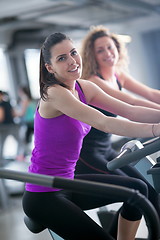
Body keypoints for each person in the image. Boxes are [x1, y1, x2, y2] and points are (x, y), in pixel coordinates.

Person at [22, 32, 160, 240]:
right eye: (62, 58)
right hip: (44, 195)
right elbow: (104, 122)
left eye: (73, 53)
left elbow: (130, 110)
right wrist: (155, 129)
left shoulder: (84, 87)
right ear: (49, 68)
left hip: (69, 182)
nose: (72, 61)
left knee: (138, 190)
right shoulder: (53, 93)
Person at [75, 26, 160, 229]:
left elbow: (151, 94)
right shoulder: (94, 81)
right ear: (92, 55)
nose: (107, 53)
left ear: (117, 49)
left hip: (107, 150)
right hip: (87, 154)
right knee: (136, 194)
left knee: (149, 191)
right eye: (100, 50)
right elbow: (130, 104)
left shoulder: (118, 75)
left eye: (110, 47)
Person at [14, 86, 36, 159]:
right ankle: (27, 154)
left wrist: (14, 113)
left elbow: (22, 113)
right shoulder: (31, 99)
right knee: (30, 139)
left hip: (28, 122)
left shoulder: (25, 99)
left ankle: (25, 155)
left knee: (25, 140)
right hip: (33, 121)